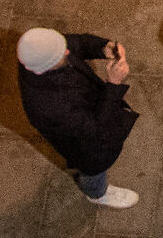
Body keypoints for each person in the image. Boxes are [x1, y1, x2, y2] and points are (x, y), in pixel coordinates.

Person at [14, 27, 140, 208]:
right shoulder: (50, 105)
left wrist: (103, 47)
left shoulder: (43, 54)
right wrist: (113, 84)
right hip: (86, 148)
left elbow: (76, 43)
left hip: (81, 121)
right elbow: (95, 130)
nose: (67, 51)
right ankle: (97, 194)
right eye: (61, 54)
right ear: (46, 67)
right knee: (93, 171)